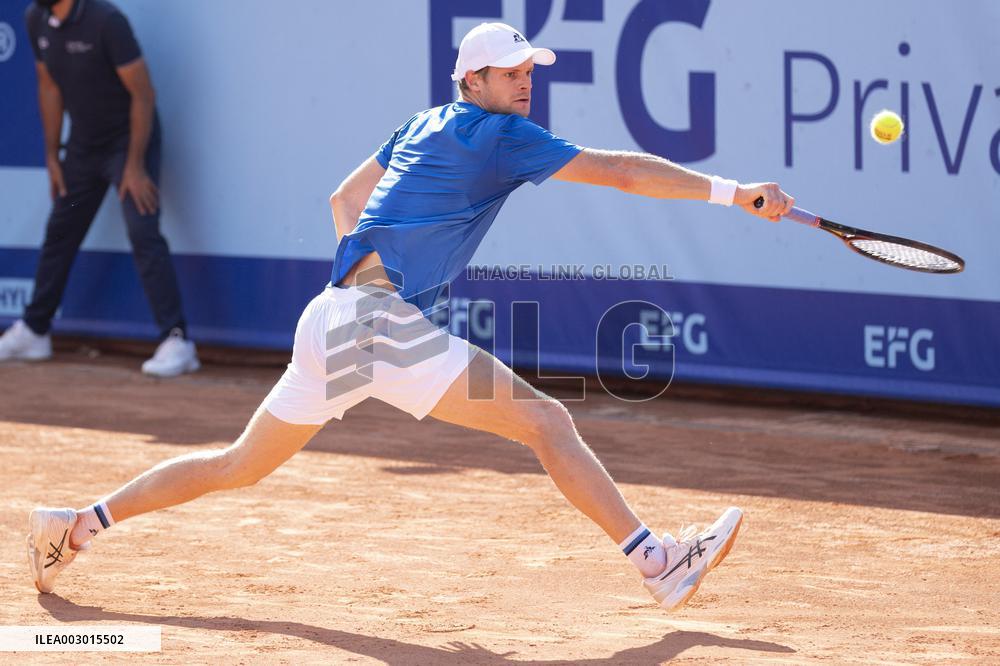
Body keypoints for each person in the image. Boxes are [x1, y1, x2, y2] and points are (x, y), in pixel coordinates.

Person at [26, 22, 794, 611]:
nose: (528, 82)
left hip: (329, 318)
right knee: (548, 422)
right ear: (477, 79)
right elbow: (622, 172)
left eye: (533, 72)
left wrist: (373, 295)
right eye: (514, 72)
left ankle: (76, 524)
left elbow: (342, 201)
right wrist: (735, 193)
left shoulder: (422, 123)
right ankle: (657, 564)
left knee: (236, 464)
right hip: (373, 330)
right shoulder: (499, 134)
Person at [0, 0, 198, 377]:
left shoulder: (106, 21)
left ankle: (178, 341)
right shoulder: (35, 19)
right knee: (60, 231)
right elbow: (49, 86)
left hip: (129, 143)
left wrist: (135, 165)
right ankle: (35, 331)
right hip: (83, 147)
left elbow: (143, 95)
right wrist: (52, 155)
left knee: (143, 232)